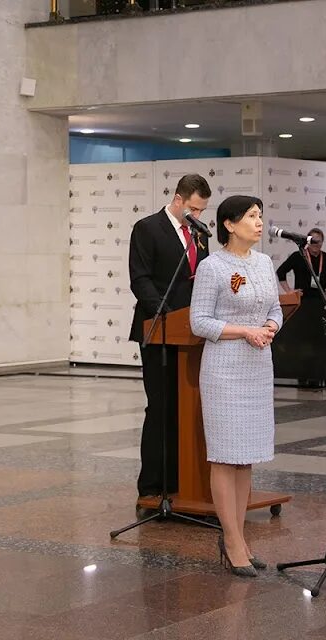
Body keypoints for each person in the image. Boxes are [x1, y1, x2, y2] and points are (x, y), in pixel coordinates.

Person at [190, 195, 282, 577]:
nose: (259, 223)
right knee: (226, 455)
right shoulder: (213, 267)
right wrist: (245, 330)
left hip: (258, 367)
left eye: (261, 216)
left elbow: (275, 308)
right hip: (225, 370)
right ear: (229, 224)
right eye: (251, 216)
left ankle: (239, 537)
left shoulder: (264, 263)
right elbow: (199, 322)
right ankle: (230, 541)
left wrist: (272, 327)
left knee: (245, 457)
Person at [128, 173, 212, 502]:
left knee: (187, 409)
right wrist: (164, 314)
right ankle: (152, 485)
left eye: (202, 210)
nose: (198, 216)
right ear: (178, 199)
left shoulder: (199, 235)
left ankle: (183, 479)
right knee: (161, 407)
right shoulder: (147, 228)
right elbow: (141, 278)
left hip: (192, 334)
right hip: (159, 331)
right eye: (193, 209)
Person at [275, 227, 326, 300]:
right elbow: (280, 272)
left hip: (321, 300)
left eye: (318, 241)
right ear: (308, 241)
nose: (315, 244)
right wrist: (289, 291)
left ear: (322, 241)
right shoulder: (298, 256)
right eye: (313, 241)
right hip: (301, 299)